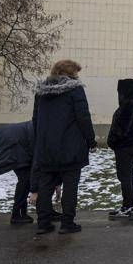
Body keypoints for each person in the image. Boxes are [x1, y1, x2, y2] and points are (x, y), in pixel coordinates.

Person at [29, 59, 96, 234]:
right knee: (70, 186)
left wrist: (39, 142)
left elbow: (36, 119)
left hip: (46, 148)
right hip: (70, 147)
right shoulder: (75, 90)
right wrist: (91, 140)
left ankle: (43, 223)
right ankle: (67, 223)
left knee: (45, 185)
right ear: (71, 73)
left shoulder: (41, 92)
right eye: (76, 72)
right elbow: (83, 117)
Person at [107, 78, 133, 220]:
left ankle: (127, 206)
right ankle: (132, 204)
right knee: (129, 175)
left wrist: (113, 141)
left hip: (125, 147)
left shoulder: (128, 106)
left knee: (124, 177)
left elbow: (122, 129)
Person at [0, 120, 35, 225]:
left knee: (25, 180)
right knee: (25, 180)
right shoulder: (41, 130)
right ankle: (16, 214)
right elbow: (35, 154)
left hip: (15, 143)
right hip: (13, 146)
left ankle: (21, 213)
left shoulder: (40, 125)